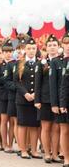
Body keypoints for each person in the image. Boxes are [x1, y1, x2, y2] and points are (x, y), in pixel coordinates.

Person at [34, 34, 62, 163]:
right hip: (45, 99)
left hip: (59, 100)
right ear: (46, 47)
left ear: (58, 47)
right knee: (45, 127)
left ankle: (55, 153)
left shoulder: (62, 62)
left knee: (56, 128)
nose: (52, 47)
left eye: (54, 45)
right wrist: (37, 100)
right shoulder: (42, 63)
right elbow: (37, 83)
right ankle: (47, 153)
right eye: (49, 45)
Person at [14, 37, 41, 159]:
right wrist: (25, 94)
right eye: (29, 48)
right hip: (22, 99)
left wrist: (36, 93)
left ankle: (34, 150)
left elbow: (42, 81)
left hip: (36, 99)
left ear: (36, 49)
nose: (31, 51)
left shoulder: (40, 63)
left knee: (34, 125)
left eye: (33, 48)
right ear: (25, 49)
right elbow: (16, 81)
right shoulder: (19, 63)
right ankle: (23, 149)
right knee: (22, 124)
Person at [55, 31, 69, 167]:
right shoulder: (59, 61)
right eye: (66, 43)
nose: (68, 46)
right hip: (65, 101)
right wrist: (60, 103)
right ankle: (66, 158)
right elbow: (62, 85)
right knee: (64, 130)